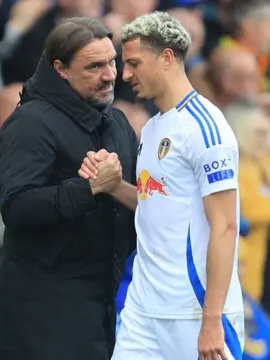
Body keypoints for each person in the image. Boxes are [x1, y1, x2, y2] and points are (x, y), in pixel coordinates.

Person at [80, 11, 243, 360]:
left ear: (167, 58)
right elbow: (159, 204)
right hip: (144, 307)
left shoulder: (205, 127)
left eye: (134, 63)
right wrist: (114, 186)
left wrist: (212, 319)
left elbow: (226, 226)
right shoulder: (153, 128)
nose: (125, 75)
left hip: (195, 310)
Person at [0, 17, 139, 360]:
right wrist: (87, 189)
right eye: (94, 67)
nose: (109, 75)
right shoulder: (31, 122)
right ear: (60, 69)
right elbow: (15, 207)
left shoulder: (117, 122)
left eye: (112, 62)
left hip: (106, 295)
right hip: (45, 305)